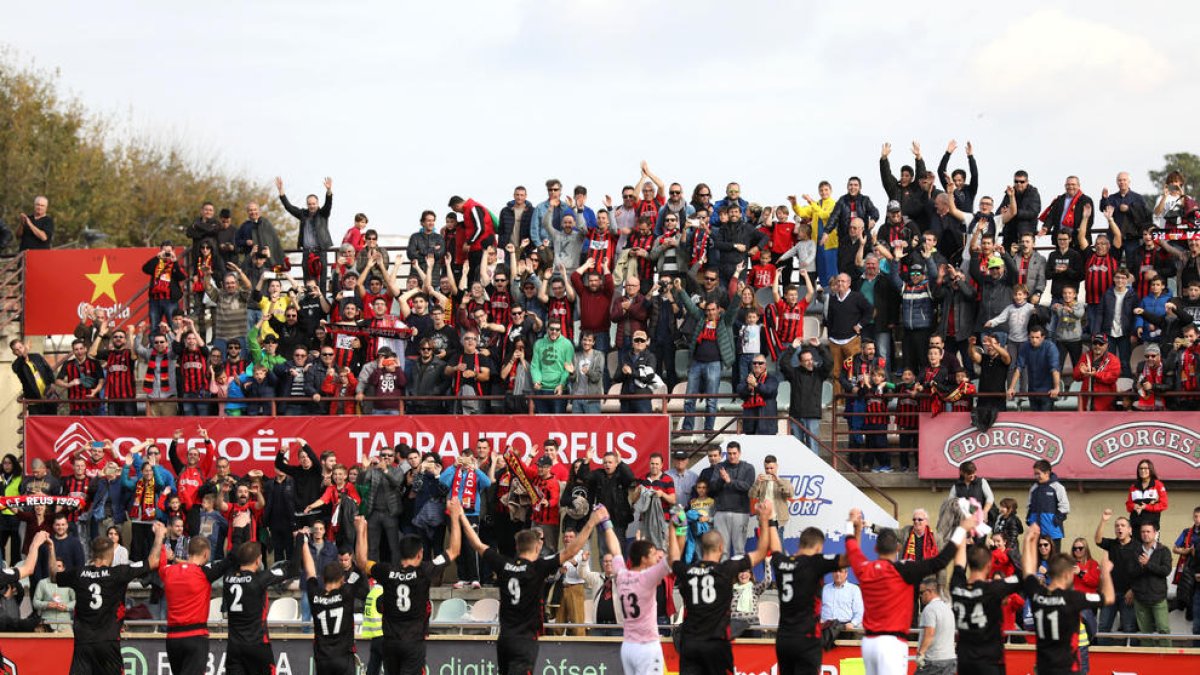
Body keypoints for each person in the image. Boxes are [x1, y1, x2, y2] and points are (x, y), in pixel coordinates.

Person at [458, 500, 602, 675]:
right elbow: (570, 552)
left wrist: (460, 515)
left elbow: (478, 545)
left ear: (517, 547)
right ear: (536, 547)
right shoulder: (537, 567)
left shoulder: (503, 564)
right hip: (525, 640)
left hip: (504, 639)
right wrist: (592, 522)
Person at [845, 507, 969, 675]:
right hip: (892, 644)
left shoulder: (865, 568)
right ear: (898, 548)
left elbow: (851, 548)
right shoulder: (905, 570)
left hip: (868, 643)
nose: (916, 523)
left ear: (875, 550)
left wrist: (852, 525)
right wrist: (962, 529)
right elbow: (941, 561)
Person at [672, 500, 774, 675]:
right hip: (716, 645)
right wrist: (764, 519)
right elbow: (761, 552)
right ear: (721, 547)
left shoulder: (687, 571)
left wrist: (675, 529)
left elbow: (673, 558)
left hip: (690, 644)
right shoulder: (726, 570)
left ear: (702, 548)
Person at [55, 522, 165, 674]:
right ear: (112, 553)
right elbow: (153, 561)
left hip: (83, 643)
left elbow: (55, 576)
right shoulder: (118, 573)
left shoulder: (78, 574)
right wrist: (159, 535)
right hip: (108, 642)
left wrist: (49, 548)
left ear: (92, 553)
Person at [1021, 524, 1114, 674]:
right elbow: (1109, 598)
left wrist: (1028, 540)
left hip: (1044, 668)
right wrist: (1106, 572)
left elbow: (1028, 573)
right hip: (1068, 668)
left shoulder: (1038, 596)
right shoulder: (1073, 598)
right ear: (1066, 575)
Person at [768, 524, 850, 674]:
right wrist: (853, 529)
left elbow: (775, 550)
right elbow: (850, 559)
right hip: (807, 639)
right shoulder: (815, 562)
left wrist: (770, 522)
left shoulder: (781, 562)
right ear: (818, 548)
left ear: (800, 543)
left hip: (784, 639)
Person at [158, 533, 236, 675]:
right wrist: (238, 529)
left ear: (188, 552)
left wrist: (160, 541)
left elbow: (159, 563)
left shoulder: (169, 571)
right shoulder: (205, 573)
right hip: (195, 636)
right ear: (206, 554)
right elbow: (231, 558)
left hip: (173, 639)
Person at [222, 539, 297, 675]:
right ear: (258, 561)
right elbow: (293, 569)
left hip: (234, 647)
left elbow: (231, 558)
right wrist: (299, 540)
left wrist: (239, 529)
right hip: (257, 645)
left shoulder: (227, 577)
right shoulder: (260, 579)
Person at [949, 542, 1022, 675]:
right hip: (988, 662)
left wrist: (963, 531)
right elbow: (1022, 577)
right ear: (989, 565)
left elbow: (958, 566)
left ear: (969, 564)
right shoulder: (992, 589)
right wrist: (1015, 556)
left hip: (964, 662)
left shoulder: (957, 588)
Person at [1093, 508, 1138, 644]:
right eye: (1117, 526)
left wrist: (1133, 590)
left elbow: (1141, 572)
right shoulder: (1112, 544)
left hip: (1128, 595)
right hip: (1110, 594)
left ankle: (1130, 659)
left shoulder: (1138, 547)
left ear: (1130, 530)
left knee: (1129, 628)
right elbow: (1097, 540)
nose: (1119, 528)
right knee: (1103, 627)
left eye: (1123, 525)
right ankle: (1102, 659)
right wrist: (1104, 521)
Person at [708, 441, 756, 558]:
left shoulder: (748, 468)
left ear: (739, 453)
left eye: (734, 453)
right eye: (729, 453)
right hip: (721, 512)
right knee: (722, 549)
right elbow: (712, 488)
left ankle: (738, 576)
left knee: (739, 549)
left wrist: (730, 481)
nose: (732, 456)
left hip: (740, 512)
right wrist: (722, 480)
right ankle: (725, 576)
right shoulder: (720, 467)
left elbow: (747, 487)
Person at [1129, 521, 1172, 646]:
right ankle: (1148, 663)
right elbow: (1130, 571)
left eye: (1148, 531)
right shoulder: (1135, 551)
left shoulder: (1164, 550)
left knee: (1163, 630)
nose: (1145, 534)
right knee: (1145, 633)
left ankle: (1168, 659)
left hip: (1158, 598)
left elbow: (1166, 571)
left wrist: (1148, 564)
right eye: (1143, 532)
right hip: (1141, 599)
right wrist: (1142, 567)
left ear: (1155, 533)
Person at [914, 577, 955, 675]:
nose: (920, 596)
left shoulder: (929, 609)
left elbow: (929, 633)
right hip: (949, 660)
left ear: (930, 591)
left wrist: (921, 654)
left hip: (933, 661)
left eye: (922, 592)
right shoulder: (947, 608)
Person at [1027, 460, 1069, 551]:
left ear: (1047, 473)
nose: (1036, 476)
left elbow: (1065, 507)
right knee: (1036, 559)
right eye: (1035, 474)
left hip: (1053, 532)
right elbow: (1029, 506)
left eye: (1038, 473)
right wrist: (1029, 520)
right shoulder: (1034, 488)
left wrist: (1055, 521)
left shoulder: (1058, 487)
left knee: (1054, 559)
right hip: (1036, 532)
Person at [1126, 459, 1169, 533]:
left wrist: (1147, 507)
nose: (1143, 471)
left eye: (1146, 468)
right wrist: (1134, 506)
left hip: (1151, 528)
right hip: (1135, 527)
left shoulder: (1158, 485)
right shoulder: (1133, 487)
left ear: (1151, 470)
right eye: (1141, 468)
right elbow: (1128, 506)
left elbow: (1164, 505)